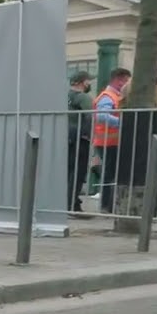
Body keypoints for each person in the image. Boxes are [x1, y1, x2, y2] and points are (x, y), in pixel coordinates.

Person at [92, 67, 131, 214]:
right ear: (118, 80)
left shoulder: (115, 96)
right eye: (126, 81)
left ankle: (108, 205)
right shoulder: (108, 96)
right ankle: (106, 206)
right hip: (108, 143)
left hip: (111, 142)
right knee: (110, 174)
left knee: (111, 174)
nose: (127, 84)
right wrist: (122, 123)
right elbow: (101, 116)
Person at [66, 71, 94, 216]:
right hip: (80, 137)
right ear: (81, 82)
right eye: (88, 81)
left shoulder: (66, 96)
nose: (89, 84)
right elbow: (90, 116)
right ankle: (72, 204)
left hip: (66, 136)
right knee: (77, 172)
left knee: (68, 171)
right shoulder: (83, 98)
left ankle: (69, 202)